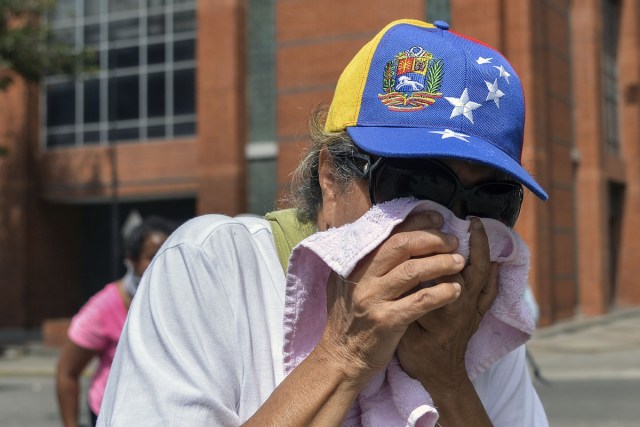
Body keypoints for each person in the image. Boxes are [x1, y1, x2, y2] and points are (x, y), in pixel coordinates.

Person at [99, 19, 549, 426]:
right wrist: (345, 353)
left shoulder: (477, 321)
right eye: (420, 184)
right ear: (332, 177)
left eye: (491, 199)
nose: (453, 223)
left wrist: (448, 378)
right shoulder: (213, 267)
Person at [56, 216, 177, 427]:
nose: (161, 263)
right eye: (152, 256)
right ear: (131, 260)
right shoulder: (104, 308)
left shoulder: (178, 300)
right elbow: (67, 372)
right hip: (113, 415)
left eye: (168, 255)